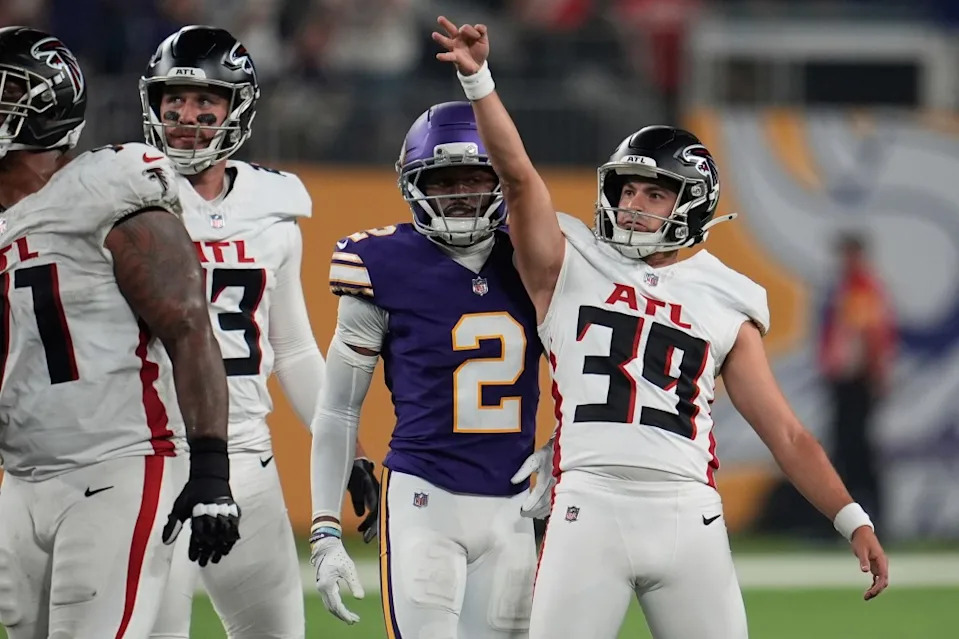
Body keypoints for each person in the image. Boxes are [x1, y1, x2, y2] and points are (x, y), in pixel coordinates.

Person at [433, 16, 890, 639]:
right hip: (587, 506)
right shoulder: (570, 260)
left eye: (655, 194)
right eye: (628, 189)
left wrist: (851, 518)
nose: (633, 204)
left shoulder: (726, 294)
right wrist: (480, 80)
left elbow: (784, 431)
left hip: (688, 515)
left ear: (693, 204)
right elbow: (516, 177)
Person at [138, 26, 379, 639]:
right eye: (174, 101)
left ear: (236, 108)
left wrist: (341, 450)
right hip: (148, 453)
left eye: (205, 102)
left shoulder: (273, 209)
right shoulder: (124, 197)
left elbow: (293, 348)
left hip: (247, 454)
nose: (186, 116)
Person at [0, 26, 239, 639]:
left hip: (117, 465)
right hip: (23, 477)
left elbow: (188, 322)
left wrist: (212, 467)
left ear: (42, 103)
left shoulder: (106, 184)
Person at [308, 101, 541, 637]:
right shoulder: (380, 264)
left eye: (475, 179)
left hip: (514, 508)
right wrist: (324, 532)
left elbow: (587, 373)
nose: (460, 194)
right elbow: (339, 406)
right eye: (444, 181)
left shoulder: (533, 260)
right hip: (425, 498)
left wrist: (564, 450)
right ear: (415, 185)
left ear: (501, 181)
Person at [818, 233, 895, 531]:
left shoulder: (862, 289)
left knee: (857, 450)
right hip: (846, 381)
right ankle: (848, 518)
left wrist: (876, 374)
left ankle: (867, 518)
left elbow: (869, 338)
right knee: (848, 449)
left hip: (856, 381)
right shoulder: (847, 289)